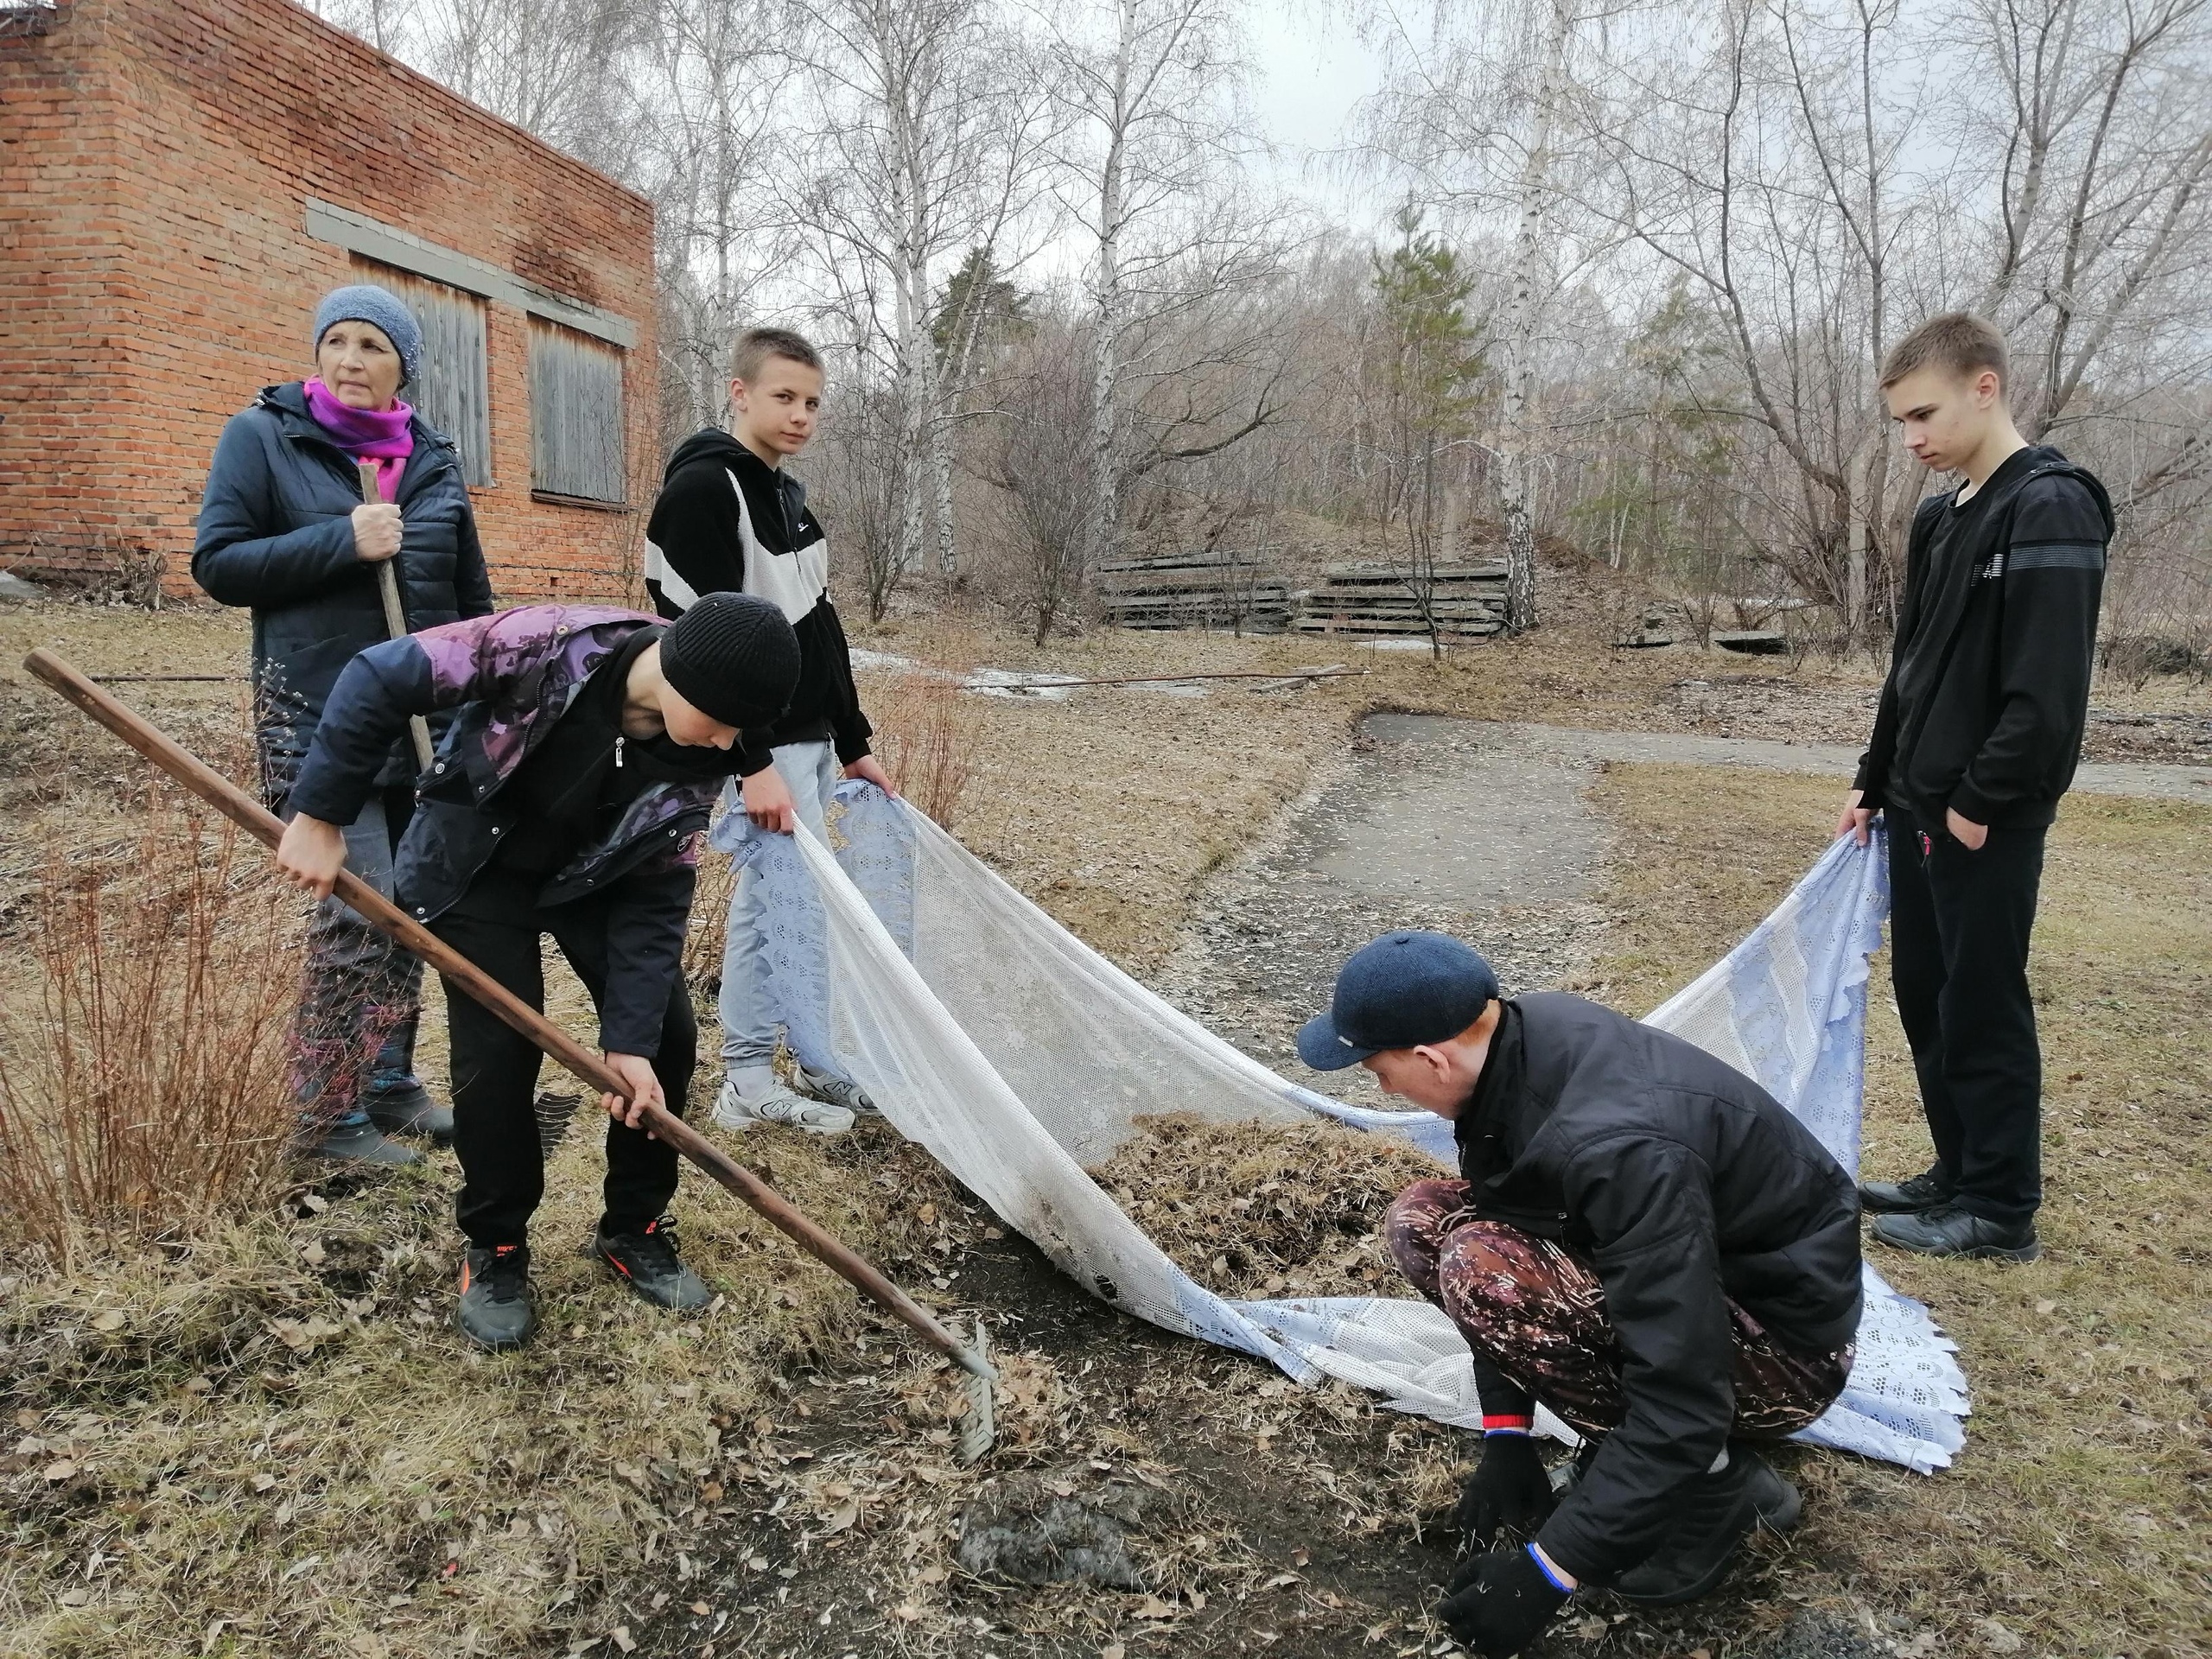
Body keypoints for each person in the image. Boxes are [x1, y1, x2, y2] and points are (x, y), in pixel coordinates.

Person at [1298, 931, 1861, 1657]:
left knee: (1482, 1266)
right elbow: (1516, 1209)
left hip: (1787, 1352)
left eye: (1380, 1072)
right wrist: (1507, 1435)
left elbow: (1686, 1396)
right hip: (1707, 1283)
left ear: (1432, 1057)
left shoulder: (1619, 1147)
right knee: (1424, 1218)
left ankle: (1720, 1491)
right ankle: (1636, 1464)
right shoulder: (1516, 1043)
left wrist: (1549, 1570)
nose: (1386, 1091)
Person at [271, 594, 802, 1352]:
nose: (731, 744)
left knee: (667, 1038)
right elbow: (378, 676)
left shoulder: (705, 752)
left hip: (601, 880)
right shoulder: (544, 645)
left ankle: (635, 1226)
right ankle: (497, 1247)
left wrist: (629, 1043)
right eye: (721, 722)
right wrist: (320, 814)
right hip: (476, 871)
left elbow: (658, 894)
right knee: (498, 1054)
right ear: (678, 674)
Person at [194, 283, 494, 1166]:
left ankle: (388, 1081)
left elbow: (471, 606)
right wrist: (344, 541)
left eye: (373, 346)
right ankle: (326, 1121)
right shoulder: (265, 437)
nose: (351, 361)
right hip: (317, 720)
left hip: (421, 731)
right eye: (339, 342)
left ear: (404, 367)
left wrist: (478, 718)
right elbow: (218, 562)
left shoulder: (433, 458)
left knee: (411, 912)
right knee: (355, 915)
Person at [1839, 312, 2111, 1263]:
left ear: (1984, 387)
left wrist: (1979, 802)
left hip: (1984, 817)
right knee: (1927, 991)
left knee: (1982, 1000)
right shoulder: (1939, 511)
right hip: (1917, 801)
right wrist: (1875, 779)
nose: (1910, 439)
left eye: (1923, 415)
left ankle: (2000, 1207)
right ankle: (1955, 1171)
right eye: (1901, 422)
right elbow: (1912, 664)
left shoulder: (2049, 506)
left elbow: (2047, 693)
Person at [643, 326, 895, 1135]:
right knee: (770, 905)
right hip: (762, 749)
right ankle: (747, 1076)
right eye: (784, 397)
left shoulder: (787, 496)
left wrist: (853, 742)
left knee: (806, 907)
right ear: (739, 392)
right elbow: (699, 642)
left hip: (811, 741)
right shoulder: (703, 492)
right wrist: (751, 764)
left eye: (813, 403)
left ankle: (815, 1060)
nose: (800, 416)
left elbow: (821, 631)